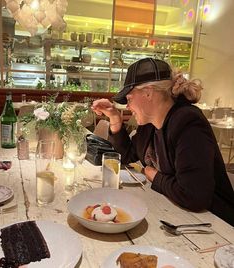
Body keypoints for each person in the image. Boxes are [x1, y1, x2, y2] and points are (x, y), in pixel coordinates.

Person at [91, 57, 234, 226]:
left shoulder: (188, 122)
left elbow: (194, 196)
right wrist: (114, 117)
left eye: (129, 99)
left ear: (148, 93)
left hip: (215, 224)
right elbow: (126, 156)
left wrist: (155, 176)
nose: (128, 106)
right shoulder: (150, 123)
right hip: (177, 212)